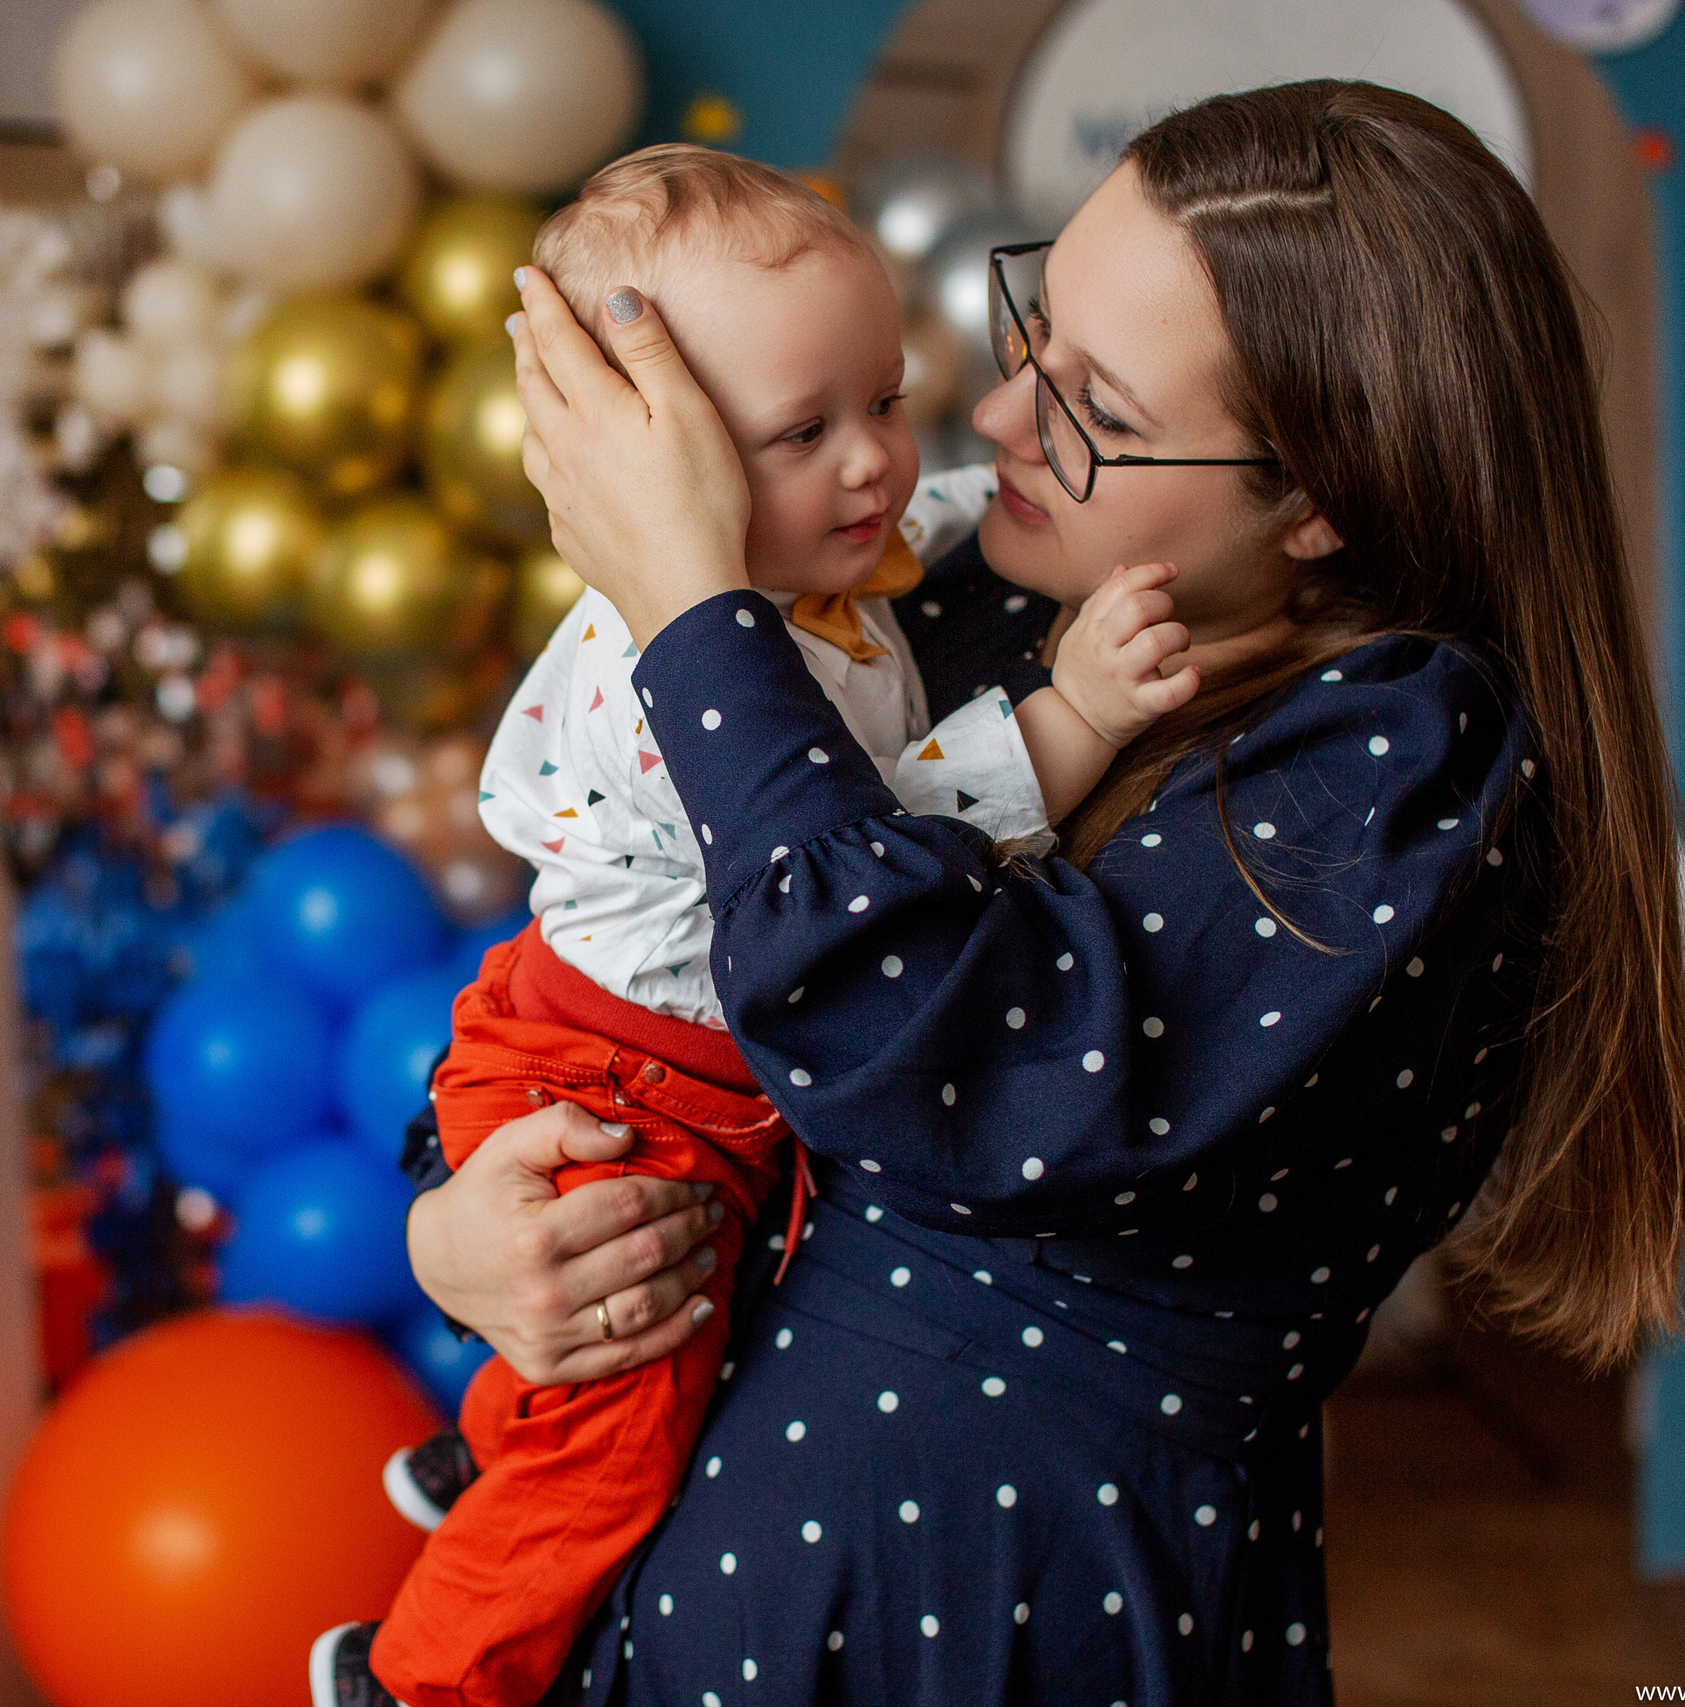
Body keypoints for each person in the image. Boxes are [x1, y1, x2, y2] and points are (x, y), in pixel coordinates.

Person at [406, 80, 1685, 1706]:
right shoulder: (959, 596)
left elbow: (922, 1041)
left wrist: (698, 607)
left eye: (1095, 403)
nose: (995, 416)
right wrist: (464, 1225)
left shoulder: (1410, 764)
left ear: (1325, 490)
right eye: (1031, 330)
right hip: (700, 1572)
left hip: (1013, 1614)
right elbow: (629, 968)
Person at [317, 143, 1202, 1707]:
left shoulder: (823, 558)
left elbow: (939, 506)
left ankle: (496, 1457)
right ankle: (411, 1676)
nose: (876, 462)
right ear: (658, 468)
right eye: (807, 432)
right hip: (610, 1078)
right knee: (616, 1443)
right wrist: (1077, 713)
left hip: (658, 1062)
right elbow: (867, 872)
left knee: (639, 1366)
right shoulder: (676, 680)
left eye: (883, 398)